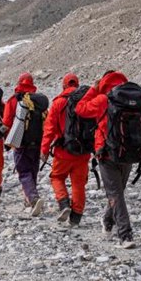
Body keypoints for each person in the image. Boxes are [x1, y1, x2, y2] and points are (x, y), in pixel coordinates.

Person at [75, 70, 141, 247]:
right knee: (118, 190)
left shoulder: (103, 99)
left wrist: (95, 88)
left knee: (115, 192)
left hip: (106, 152)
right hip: (130, 150)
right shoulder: (134, 99)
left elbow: (80, 108)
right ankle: (107, 222)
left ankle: (125, 235)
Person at [41, 73, 91, 227]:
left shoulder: (58, 103)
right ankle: (76, 217)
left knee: (57, 177)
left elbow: (49, 129)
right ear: (77, 84)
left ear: (64, 86)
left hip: (63, 151)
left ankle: (63, 204)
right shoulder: (86, 101)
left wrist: (44, 149)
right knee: (78, 183)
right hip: (83, 151)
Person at [2, 72, 49, 215]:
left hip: (20, 141)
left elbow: (6, 122)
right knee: (33, 170)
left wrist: (7, 139)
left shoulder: (14, 100)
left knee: (23, 171)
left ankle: (33, 198)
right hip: (37, 141)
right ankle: (29, 197)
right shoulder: (39, 101)